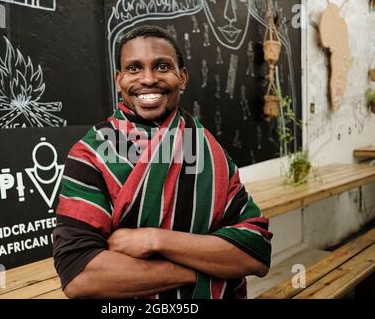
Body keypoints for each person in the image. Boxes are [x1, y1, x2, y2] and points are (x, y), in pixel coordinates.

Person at [53, 25, 272, 299]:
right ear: (118, 80)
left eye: (162, 66)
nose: (148, 79)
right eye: (134, 68)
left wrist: (154, 240)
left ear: (182, 77)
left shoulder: (205, 146)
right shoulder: (92, 153)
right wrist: (202, 270)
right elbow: (80, 275)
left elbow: (256, 250)